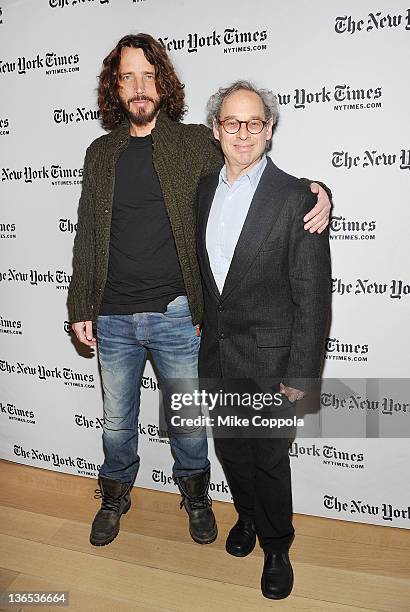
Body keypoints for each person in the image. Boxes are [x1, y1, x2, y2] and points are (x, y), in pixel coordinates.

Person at [67, 33, 331, 549]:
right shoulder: (99, 153)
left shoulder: (192, 144)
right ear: (115, 86)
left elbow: (255, 177)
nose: (139, 86)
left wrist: (320, 191)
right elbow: (86, 234)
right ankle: (115, 496)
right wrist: (81, 306)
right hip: (114, 316)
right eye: (127, 76)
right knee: (116, 425)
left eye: (148, 75)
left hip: (176, 314)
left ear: (162, 84)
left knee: (190, 425)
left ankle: (196, 498)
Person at [196, 81, 331, 599]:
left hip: (273, 364)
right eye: (233, 122)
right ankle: (247, 517)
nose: (244, 133)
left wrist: (301, 377)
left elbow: (313, 298)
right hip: (218, 357)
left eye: (255, 122)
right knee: (230, 450)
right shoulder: (204, 189)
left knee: (270, 460)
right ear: (216, 130)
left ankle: (276, 545)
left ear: (270, 129)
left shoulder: (298, 197)